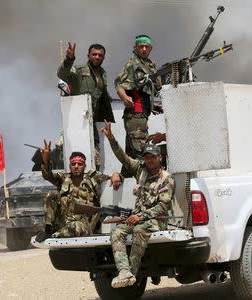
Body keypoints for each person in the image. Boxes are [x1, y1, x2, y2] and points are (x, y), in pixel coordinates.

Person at [101, 121, 175, 288]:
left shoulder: (166, 178)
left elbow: (162, 207)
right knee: (117, 231)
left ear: (160, 158)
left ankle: (132, 274)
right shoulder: (140, 170)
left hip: (157, 219)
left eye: (153, 157)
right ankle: (124, 271)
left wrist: (139, 216)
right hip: (137, 217)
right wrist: (111, 138)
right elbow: (123, 157)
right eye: (147, 157)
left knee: (139, 230)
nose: (150, 160)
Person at [35, 140, 121, 242]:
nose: (76, 166)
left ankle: (54, 236)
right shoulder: (63, 178)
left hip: (84, 224)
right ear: (70, 166)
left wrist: (116, 175)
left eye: (80, 164)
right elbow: (47, 175)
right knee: (52, 194)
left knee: (76, 226)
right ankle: (48, 230)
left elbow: (113, 177)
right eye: (73, 164)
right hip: (64, 221)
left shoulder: (93, 177)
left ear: (84, 166)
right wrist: (46, 158)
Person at [57, 42, 115, 168]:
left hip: (93, 121)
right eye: (94, 54)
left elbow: (101, 94)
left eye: (100, 55)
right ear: (88, 55)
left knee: (96, 160)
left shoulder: (103, 74)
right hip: (77, 120)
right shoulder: (79, 70)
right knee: (74, 157)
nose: (97, 57)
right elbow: (62, 74)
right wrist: (69, 59)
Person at [114, 34, 161, 171]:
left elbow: (151, 89)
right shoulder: (132, 64)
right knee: (143, 154)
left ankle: (124, 180)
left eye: (147, 47)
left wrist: (153, 106)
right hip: (135, 114)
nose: (144, 49)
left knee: (131, 156)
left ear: (151, 48)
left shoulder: (150, 65)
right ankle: (149, 184)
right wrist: (124, 98)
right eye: (141, 47)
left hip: (143, 113)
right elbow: (119, 84)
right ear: (135, 48)